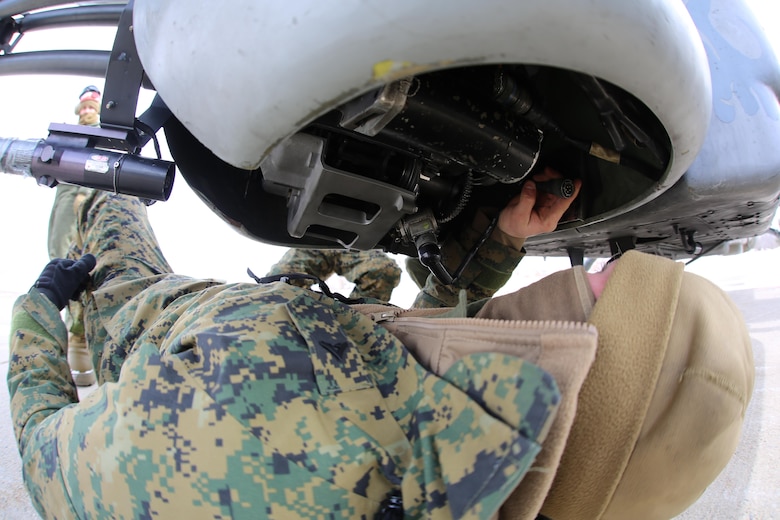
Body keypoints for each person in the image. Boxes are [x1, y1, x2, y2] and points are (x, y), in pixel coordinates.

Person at [7, 166, 754, 519]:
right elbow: (419, 363)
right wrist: (500, 243)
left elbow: (43, 451)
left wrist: (39, 311)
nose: (609, 268)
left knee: (102, 196)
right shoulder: (451, 455)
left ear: (583, 373)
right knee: (347, 256)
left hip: (150, 323)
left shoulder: (221, 435)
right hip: (288, 321)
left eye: (614, 299)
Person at [46, 85, 103, 387]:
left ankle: (82, 336)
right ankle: (75, 334)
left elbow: (102, 164)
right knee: (60, 255)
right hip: (66, 196)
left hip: (87, 190)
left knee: (83, 263)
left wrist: (84, 195)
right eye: (82, 106)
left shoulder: (101, 131)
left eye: (90, 105)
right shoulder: (67, 134)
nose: (85, 110)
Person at [265, 248, 402, 302]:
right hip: (312, 238)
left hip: (354, 235)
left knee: (384, 271)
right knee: (277, 288)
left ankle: (359, 320)